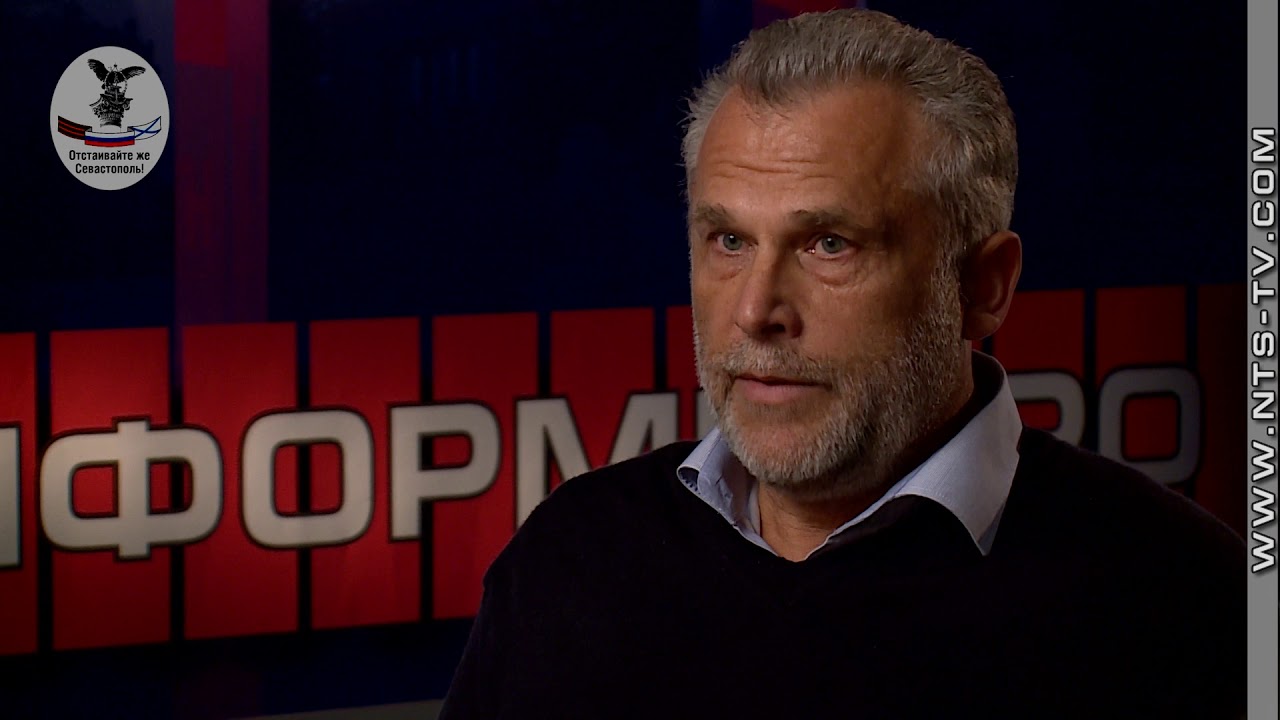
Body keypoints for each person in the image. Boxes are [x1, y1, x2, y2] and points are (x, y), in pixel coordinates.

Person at [440, 9, 1244, 718]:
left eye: (829, 243)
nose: (755, 311)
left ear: (983, 285)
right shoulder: (571, 557)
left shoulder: (1183, 598)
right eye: (729, 240)